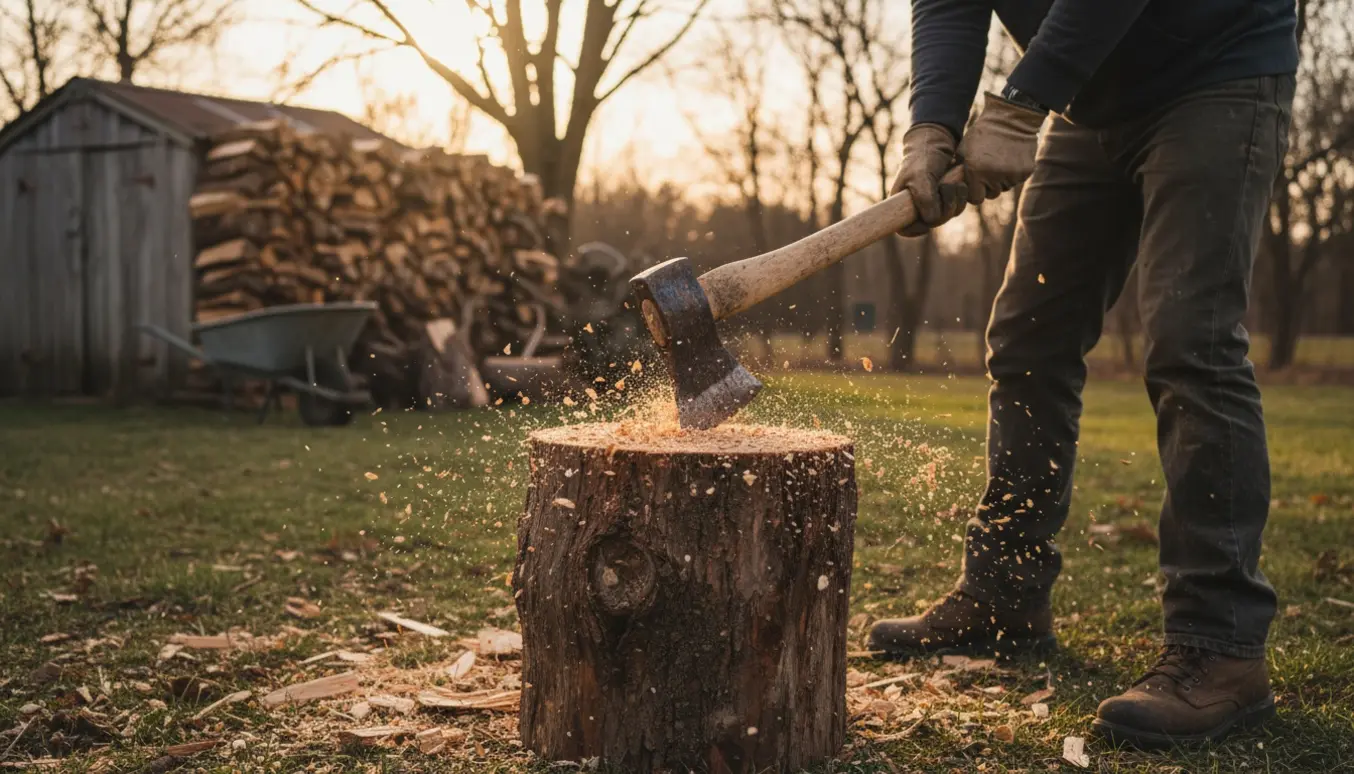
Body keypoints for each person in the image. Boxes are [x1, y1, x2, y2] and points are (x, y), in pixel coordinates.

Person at [869, 0, 1299, 749]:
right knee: (1029, 337)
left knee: (1190, 342)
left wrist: (1018, 105)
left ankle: (1222, 646)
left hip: (1215, 67)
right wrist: (931, 126)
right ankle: (1006, 590)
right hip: (1089, 95)